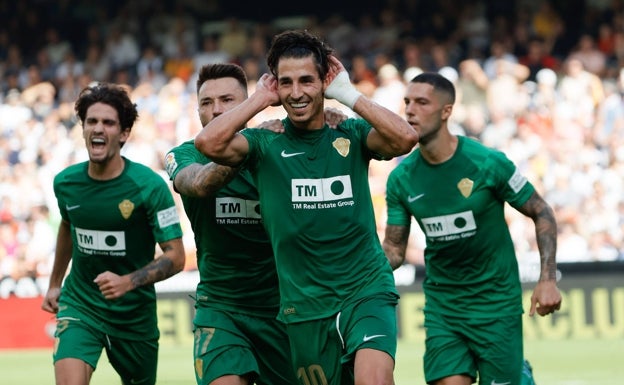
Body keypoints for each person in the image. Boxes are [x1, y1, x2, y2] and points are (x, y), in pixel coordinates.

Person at [194, 30, 419, 385]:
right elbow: (207, 142)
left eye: (306, 81)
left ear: (324, 83)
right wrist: (257, 100)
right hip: (303, 307)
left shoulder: (350, 133)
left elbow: (405, 137)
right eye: (286, 83)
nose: (296, 93)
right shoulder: (264, 143)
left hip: (364, 288)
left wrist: (347, 94)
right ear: (275, 87)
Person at [382, 72, 562, 385]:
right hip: (443, 307)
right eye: (407, 102)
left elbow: (542, 212)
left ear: (446, 111)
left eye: (422, 102)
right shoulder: (401, 178)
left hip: (496, 304)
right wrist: (351, 275)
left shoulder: (488, 163)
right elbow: (394, 250)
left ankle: (520, 375)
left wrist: (547, 279)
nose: (410, 110)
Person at [41, 82, 186, 385]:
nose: (98, 128)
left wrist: (127, 282)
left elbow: (176, 257)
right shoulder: (66, 183)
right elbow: (68, 227)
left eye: (108, 122)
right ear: (82, 129)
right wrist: (55, 284)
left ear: (123, 134)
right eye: (92, 121)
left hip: (133, 317)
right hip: (81, 304)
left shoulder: (149, 187)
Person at [164, 63, 298, 385]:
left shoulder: (278, 153)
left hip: (281, 310)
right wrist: (257, 109)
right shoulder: (185, 155)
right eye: (207, 103)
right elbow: (198, 185)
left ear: (243, 103)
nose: (216, 110)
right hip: (220, 308)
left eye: (227, 100)